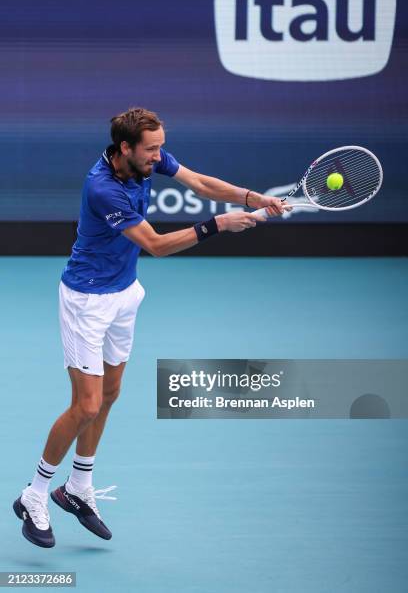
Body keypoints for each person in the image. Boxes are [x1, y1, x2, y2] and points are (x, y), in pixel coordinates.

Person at [13, 107, 285, 548]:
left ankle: (78, 488)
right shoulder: (103, 188)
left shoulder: (148, 159)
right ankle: (35, 492)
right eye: (152, 149)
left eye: (161, 147)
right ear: (125, 148)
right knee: (85, 405)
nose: (160, 157)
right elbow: (156, 245)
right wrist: (218, 223)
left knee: (112, 393)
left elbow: (200, 183)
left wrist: (251, 198)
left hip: (124, 294)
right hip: (86, 301)